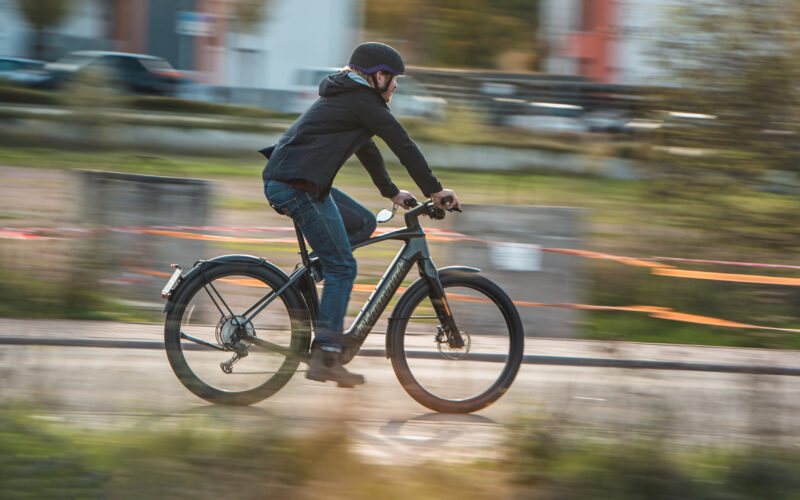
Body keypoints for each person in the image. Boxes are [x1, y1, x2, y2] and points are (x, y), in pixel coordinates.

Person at [261, 42, 460, 388]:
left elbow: (366, 147)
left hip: (301, 181)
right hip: (295, 185)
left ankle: (318, 271)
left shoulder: (351, 97)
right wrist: (436, 191)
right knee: (344, 267)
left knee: (364, 223)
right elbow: (403, 144)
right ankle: (326, 355)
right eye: (394, 78)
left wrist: (392, 193)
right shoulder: (362, 100)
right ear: (378, 76)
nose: (396, 86)